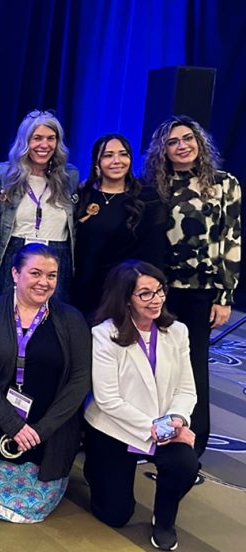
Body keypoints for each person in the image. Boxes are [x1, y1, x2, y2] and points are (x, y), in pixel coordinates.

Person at [0, 243, 90, 523]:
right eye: (36, 273)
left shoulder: (72, 320)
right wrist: (12, 424)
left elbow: (79, 380)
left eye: (51, 276)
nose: (44, 282)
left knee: (34, 505)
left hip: (47, 425)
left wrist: (41, 430)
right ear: (15, 274)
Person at [144, 115, 241, 472]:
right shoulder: (156, 185)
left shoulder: (224, 184)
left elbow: (231, 241)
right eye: (173, 141)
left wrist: (225, 296)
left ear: (199, 143)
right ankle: (156, 443)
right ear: (163, 150)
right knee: (158, 368)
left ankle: (191, 452)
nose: (182, 145)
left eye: (188, 138)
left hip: (202, 293)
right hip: (161, 293)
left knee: (193, 369)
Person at [84, 260, 197, 551]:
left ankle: (164, 519)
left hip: (165, 425)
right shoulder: (104, 334)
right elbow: (108, 400)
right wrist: (163, 429)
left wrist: (177, 422)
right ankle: (96, 471)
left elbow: (186, 389)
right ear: (125, 299)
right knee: (114, 514)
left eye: (160, 290)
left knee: (185, 464)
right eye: (145, 294)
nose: (156, 299)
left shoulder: (178, 332)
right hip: (114, 428)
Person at [72, 133, 165, 315]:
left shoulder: (148, 199)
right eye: (108, 155)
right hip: (83, 290)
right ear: (96, 162)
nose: (117, 161)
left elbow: (155, 254)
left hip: (125, 291)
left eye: (123, 154)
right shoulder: (83, 195)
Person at [0, 110, 79, 302]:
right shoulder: (3, 174)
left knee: (51, 323)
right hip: (14, 253)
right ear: (24, 141)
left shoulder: (69, 176)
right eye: (37, 138)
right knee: (8, 319)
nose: (44, 145)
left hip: (57, 256)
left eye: (51, 138)